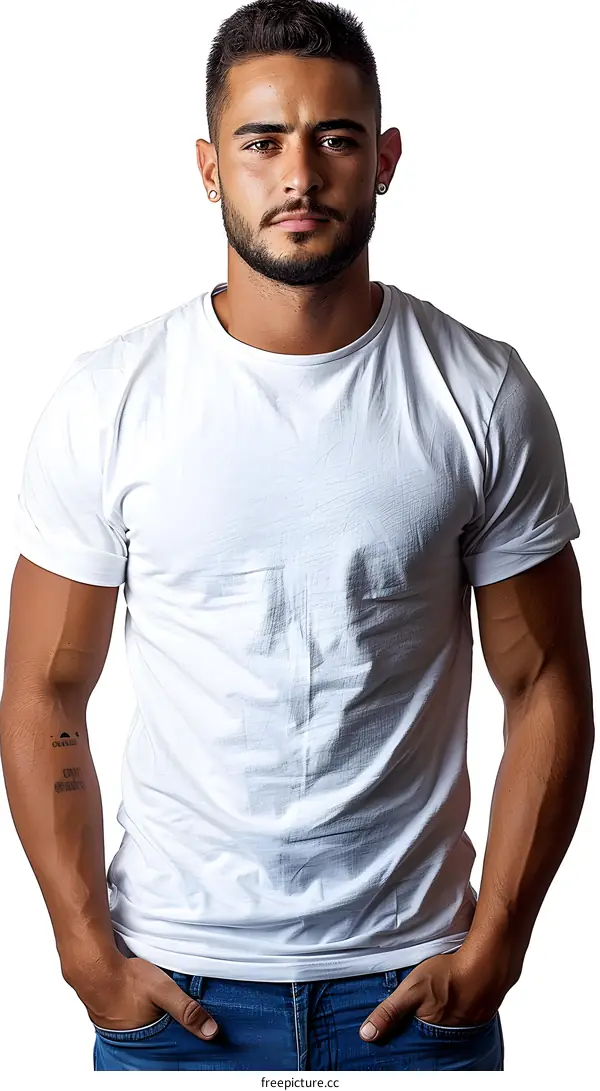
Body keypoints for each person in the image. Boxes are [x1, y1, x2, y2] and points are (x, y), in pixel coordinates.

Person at [0, 0, 594, 1074]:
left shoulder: (480, 392)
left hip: (414, 988)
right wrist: (86, 952)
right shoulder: (111, 402)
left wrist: (499, 943)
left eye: (336, 138)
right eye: (263, 140)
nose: (300, 174)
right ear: (207, 165)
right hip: (178, 988)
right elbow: (44, 689)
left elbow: (546, 679)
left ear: (386, 159)